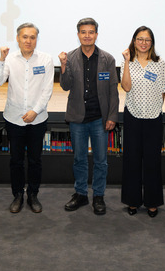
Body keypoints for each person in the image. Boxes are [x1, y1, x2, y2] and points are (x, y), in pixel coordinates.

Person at [59, 17, 119, 215]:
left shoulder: (108, 59)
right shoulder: (70, 57)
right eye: (83, 32)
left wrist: (112, 116)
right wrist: (63, 66)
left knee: (101, 160)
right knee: (79, 159)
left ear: (96, 34)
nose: (87, 35)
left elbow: (113, 90)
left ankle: (99, 196)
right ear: (78, 35)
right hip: (77, 118)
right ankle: (81, 194)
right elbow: (65, 85)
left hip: (99, 118)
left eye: (91, 32)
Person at [0, 23, 54, 214]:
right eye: (25, 37)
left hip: (37, 119)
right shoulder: (10, 59)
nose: (28, 41)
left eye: (32, 37)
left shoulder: (46, 59)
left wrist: (35, 111)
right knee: (16, 161)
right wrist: (1, 59)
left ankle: (33, 195)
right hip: (14, 118)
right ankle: (18, 195)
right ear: (18, 38)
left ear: (37, 39)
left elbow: (47, 90)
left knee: (35, 160)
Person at [120, 26, 165, 217]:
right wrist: (125, 62)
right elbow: (126, 86)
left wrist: (153, 108)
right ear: (133, 41)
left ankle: (152, 201)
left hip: (154, 117)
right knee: (132, 160)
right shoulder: (128, 62)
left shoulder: (160, 63)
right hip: (132, 116)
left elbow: (163, 89)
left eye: (147, 40)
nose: (143, 43)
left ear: (152, 43)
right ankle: (132, 201)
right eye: (139, 39)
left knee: (152, 161)